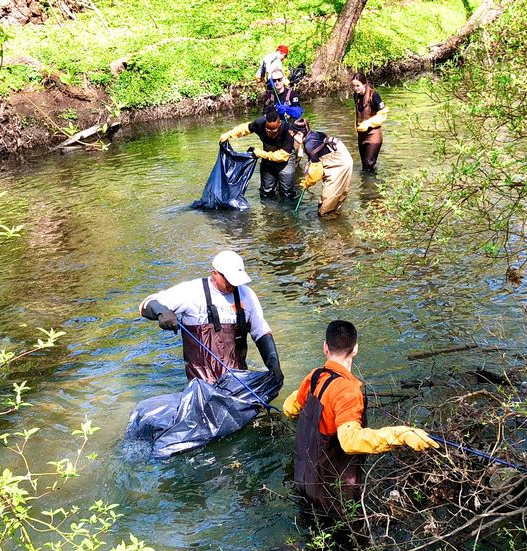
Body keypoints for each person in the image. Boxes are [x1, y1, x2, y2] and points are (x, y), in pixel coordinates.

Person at [283, 320, 438, 515]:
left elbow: (290, 408)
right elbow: (350, 441)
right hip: (332, 498)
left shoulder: (314, 377)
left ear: (325, 347)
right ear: (355, 349)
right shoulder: (348, 391)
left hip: (303, 484)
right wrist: (401, 434)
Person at [139, 250, 283, 385]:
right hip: (202, 385)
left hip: (239, 382)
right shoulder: (191, 291)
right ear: (214, 273)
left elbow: (261, 332)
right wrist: (161, 312)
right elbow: (146, 304)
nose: (233, 285)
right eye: (229, 280)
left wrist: (274, 366)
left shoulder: (247, 295)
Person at [220, 109, 297, 202]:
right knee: (266, 191)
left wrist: (260, 153)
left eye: (274, 130)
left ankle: (286, 213)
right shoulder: (260, 123)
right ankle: (268, 212)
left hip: (285, 161)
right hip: (267, 158)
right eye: (268, 129)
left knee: (286, 192)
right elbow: (244, 128)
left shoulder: (287, 130)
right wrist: (229, 134)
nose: (271, 132)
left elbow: (283, 156)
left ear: (279, 124)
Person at [290, 118, 353, 217]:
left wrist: (307, 183)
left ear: (299, 134)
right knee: (337, 200)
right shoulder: (313, 134)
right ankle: (337, 216)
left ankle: (330, 226)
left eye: (293, 135)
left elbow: (316, 173)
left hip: (339, 165)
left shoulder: (309, 145)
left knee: (324, 210)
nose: (293, 138)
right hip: (342, 157)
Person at [351, 72, 388, 173]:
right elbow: (357, 113)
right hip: (361, 135)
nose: (356, 88)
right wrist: (356, 125)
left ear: (364, 84)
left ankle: (372, 187)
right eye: (353, 86)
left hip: (373, 135)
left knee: (369, 164)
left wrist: (368, 123)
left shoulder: (374, 95)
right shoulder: (356, 96)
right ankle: (366, 187)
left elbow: (384, 113)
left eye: (358, 86)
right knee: (364, 165)